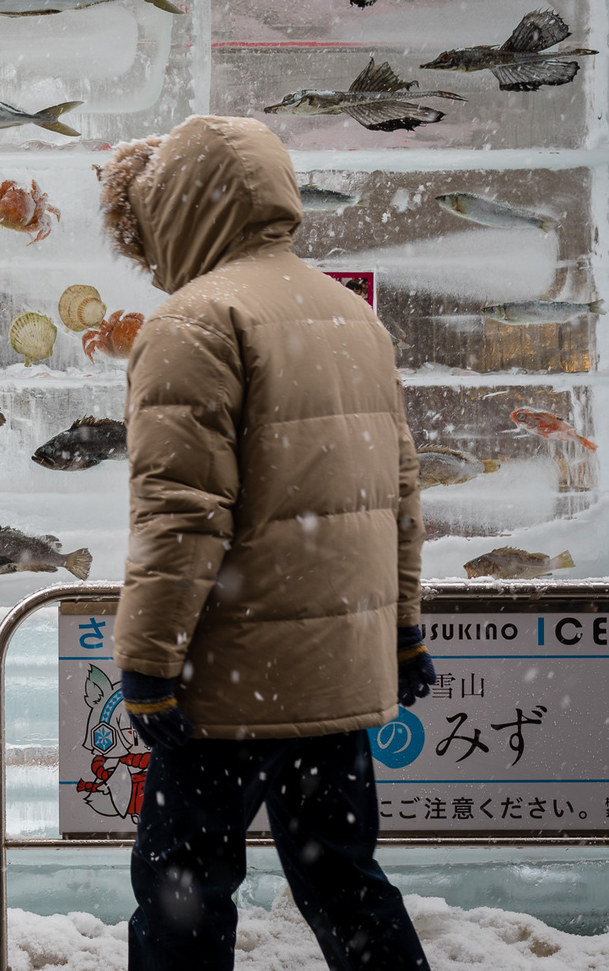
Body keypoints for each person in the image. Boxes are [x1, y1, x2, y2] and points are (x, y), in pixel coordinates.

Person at [94, 115, 437, 971]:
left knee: (185, 888)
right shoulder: (351, 316)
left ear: (176, 210)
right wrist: (403, 631)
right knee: (346, 883)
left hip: (230, 677)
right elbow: (399, 496)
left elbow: (181, 512)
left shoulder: (197, 321)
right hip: (337, 671)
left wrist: (148, 662)